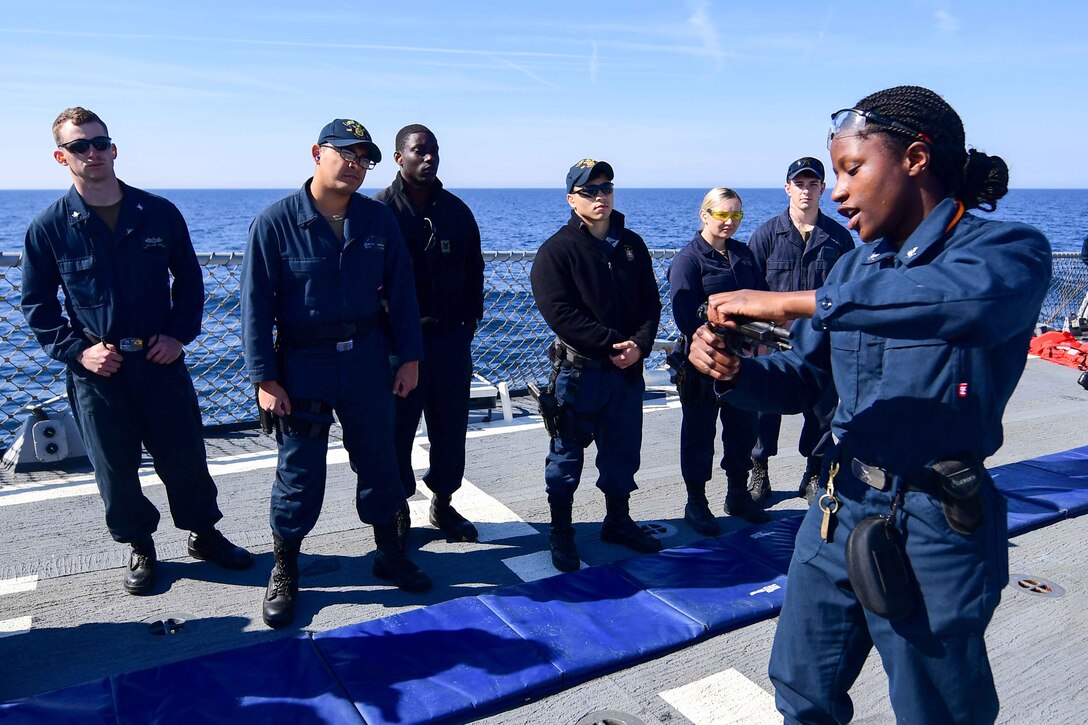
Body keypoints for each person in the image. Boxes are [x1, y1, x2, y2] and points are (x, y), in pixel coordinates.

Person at [688, 86, 1051, 722]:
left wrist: (795, 301)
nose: (836, 191)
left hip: (932, 521)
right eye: (834, 173)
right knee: (801, 689)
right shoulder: (854, 271)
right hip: (838, 504)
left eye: (853, 169)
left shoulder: (1007, 250)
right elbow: (802, 377)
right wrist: (733, 371)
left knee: (935, 709)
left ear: (915, 158)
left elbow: (958, 303)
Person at [21, 107, 252, 596]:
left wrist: (178, 335)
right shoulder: (49, 228)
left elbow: (189, 281)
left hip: (159, 361)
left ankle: (203, 535)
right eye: (80, 146)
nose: (93, 153)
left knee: (185, 456)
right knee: (115, 467)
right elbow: (37, 306)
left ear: (114, 148)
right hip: (98, 371)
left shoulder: (159, 213)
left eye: (100, 143)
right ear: (61, 157)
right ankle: (141, 547)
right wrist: (77, 353)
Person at [242, 118, 431, 628]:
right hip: (302, 364)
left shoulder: (377, 221)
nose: (354, 164)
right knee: (300, 472)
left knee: (380, 462)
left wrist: (409, 358)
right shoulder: (276, 222)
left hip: (368, 357)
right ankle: (285, 566)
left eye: (364, 157)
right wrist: (264, 377)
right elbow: (255, 307)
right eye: (345, 152)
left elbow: (403, 291)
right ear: (316, 153)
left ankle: (389, 551)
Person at [530, 159, 663, 572]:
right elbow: (560, 313)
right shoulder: (556, 252)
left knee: (622, 452)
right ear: (572, 199)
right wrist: (611, 344)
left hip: (625, 372)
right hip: (579, 374)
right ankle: (562, 532)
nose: (600, 196)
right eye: (589, 190)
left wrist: (640, 346)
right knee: (566, 457)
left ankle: (618, 521)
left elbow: (650, 304)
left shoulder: (632, 246)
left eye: (606, 187)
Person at [375, 124, 484, 544]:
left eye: (434, 151)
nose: (428, 158)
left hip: (450, 342)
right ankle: (399, 507)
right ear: (399, 157)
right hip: (397, 347)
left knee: (450, 426)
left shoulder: (456, 211)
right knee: (396, 431)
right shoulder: (380, 212)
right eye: (419, 151)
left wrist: (468, 326)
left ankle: (443, 501)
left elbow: (475, 271)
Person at [746, 157, 855, 505]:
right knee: (764, 408)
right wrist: (756, 338)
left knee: (822, 411)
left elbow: (847, 291)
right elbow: (752, 291)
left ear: (823, 189)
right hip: (773, 342)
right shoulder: (765, 235)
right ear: (787, 188)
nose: (805, 190)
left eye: (812, 184)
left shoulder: (837, 238)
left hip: (821, 341)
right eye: (799, 184)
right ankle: (759, 470)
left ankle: (814, 472)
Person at [667, 188, 770, 534]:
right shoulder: (688, 260)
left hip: (743, 361)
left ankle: (737, 494)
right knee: (699, 434)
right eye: (722, 214)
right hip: (702, 364)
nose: (729, 222)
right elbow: (685, 317)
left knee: (743, 430)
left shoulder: (743, 255)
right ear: (704, 214)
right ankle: (696, 502)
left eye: (736, 215)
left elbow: (761, 298)